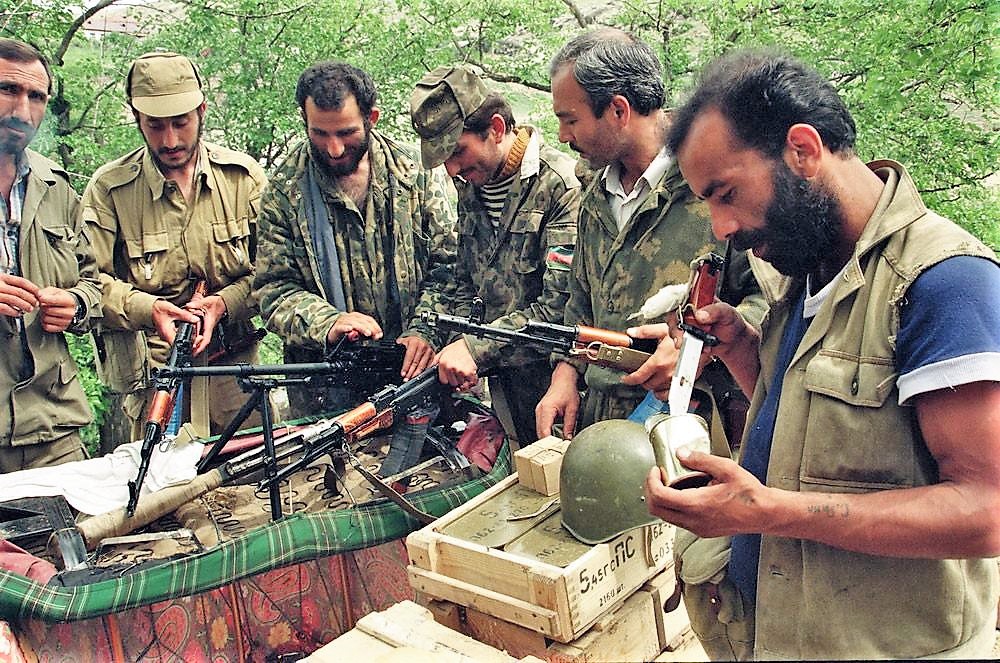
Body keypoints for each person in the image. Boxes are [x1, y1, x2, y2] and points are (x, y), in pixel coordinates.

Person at [642, 49, 1000, 660]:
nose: (721, 227)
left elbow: (987, 509)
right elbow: (824, 430)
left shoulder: (945, 284)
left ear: (802, 151)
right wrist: (744, 353)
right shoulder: (803, 268)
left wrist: (768, 512)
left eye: (726, 193)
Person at [538, 28, 762, 443]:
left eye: (570, 120)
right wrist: (565, 373)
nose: (562, 137)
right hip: (604, 432)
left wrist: (696, 350)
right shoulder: (593, 198)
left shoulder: (715, 185)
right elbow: (580, 302)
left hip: (697, 433)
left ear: (619, 110)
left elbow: (769, 302)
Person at [253, 61, 458, 481]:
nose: (333, 149)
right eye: (319, 133)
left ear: (371, 118)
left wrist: (425, 330)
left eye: (346, 133)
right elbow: (273, 290)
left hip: (415, 378)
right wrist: (329, 322)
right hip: (327, 386)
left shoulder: (416, 176)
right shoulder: (284, 190)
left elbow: (452, 267)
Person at [82, 52, 267, 442]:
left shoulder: (242, 178)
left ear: (201, 111)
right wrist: (149, 309)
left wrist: (224, 304)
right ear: (137, 120)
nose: (170, 141)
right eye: (155, 126)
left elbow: (274, 273)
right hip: (155, 379)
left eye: (181, 123)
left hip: (234, 379)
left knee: (250, 491)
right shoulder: (110, 189)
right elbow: (87, 282)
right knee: (157, 492)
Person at [409, 65, 580, 446]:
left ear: (497, 128)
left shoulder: (561, 186)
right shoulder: (472, 187)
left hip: (561, 388)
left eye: (457, 151)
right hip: (505, 386)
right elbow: (464, 282)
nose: (452, 169)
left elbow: (560, 309)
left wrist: (474, 349)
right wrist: (433, 339)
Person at [0, 38, 101, 471]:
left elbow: (96, 283)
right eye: (7, 90)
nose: (22, 111)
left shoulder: (55, 187)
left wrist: (76, 304)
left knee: (78, 538)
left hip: (54, 430)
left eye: (35, 97)